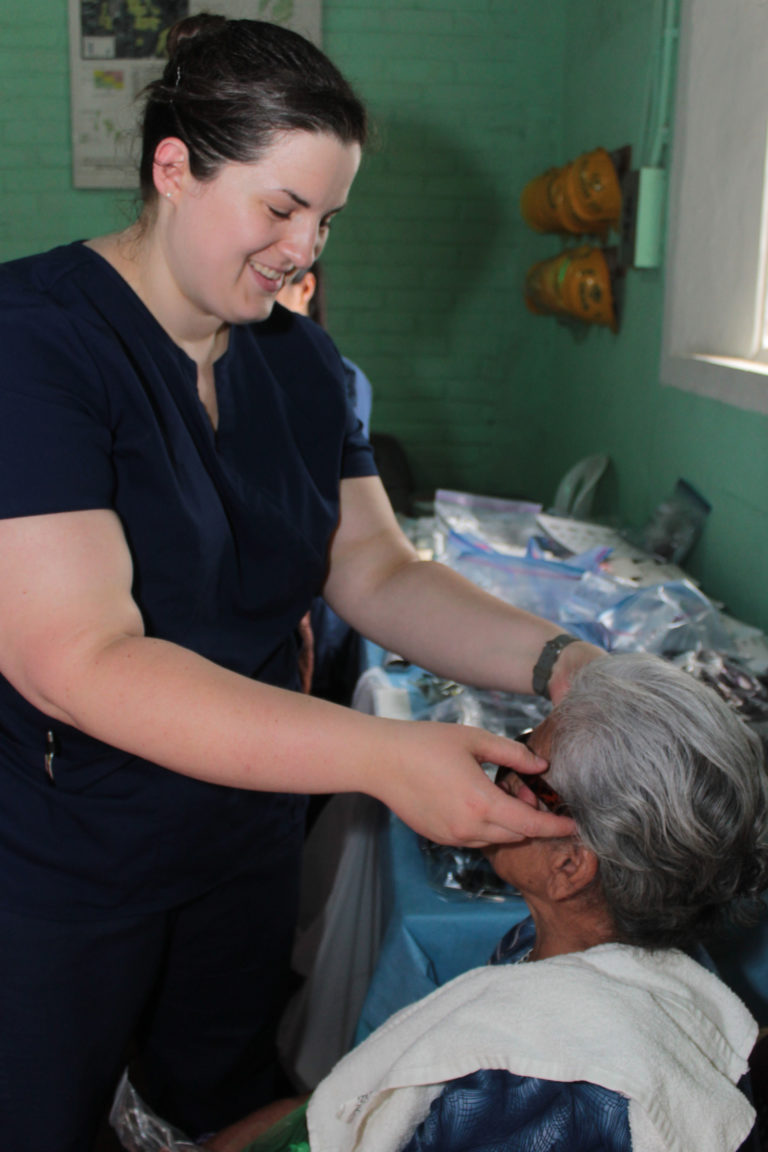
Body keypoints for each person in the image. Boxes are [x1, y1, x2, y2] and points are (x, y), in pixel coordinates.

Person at [0, 16, 602, 1152]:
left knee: (219, 1094)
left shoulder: (301, 363)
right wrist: (383, 758)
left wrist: (572, 666)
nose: (303, 250)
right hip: (74, 848)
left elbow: (372, 569)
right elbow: (77, 659)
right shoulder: (35, 346)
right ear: (172, 167)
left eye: (326, 219)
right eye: (279, 209)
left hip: (244, 838)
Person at [189, 654, 768, 1152]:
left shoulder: (539, 1099)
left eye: (527, 774)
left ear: (569, 866)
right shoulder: (555, 945)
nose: (500, 774)